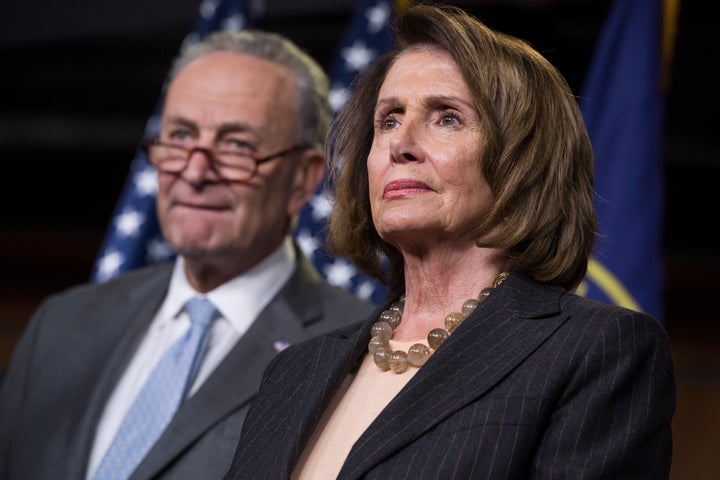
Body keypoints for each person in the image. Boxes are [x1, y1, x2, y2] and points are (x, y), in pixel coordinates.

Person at [224, 5, 677, 479]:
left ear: (525, 160)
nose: (402, 144)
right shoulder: (295, 371)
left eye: (447, 118)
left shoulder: (597, 350)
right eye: (389, 119)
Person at [0, 30, 375, 480]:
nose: (195, 172)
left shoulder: (356, 354)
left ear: (303, 179)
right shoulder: (62, 324)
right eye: (179, 136)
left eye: (237, 145)